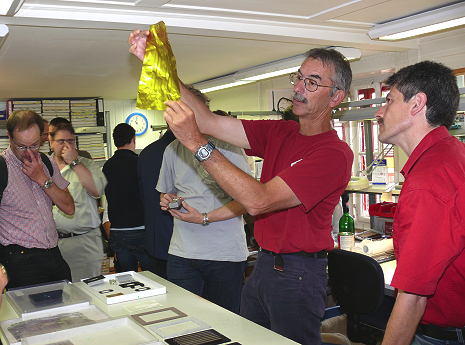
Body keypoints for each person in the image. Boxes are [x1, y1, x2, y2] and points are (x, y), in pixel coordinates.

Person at [129, 31, 353, 344]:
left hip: (298, 274)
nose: (299, 88)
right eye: (299, 78)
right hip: (265, 266)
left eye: (312, 82)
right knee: (248, 339)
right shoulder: (282, 132)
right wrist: (161, 67)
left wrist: (195, 142)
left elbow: (258, 201)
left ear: (336, 97)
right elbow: (206, 119)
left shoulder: (332, 153)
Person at [374, 62, 465, 345]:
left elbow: (413, 298)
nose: (379, 112)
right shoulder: (455, 154)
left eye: (389, 101)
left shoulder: (429, 180)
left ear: (417, 104)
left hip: (442, 336)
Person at [156, 95, 250, 314]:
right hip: (183, 252)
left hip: (224, 254)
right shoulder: (172, 149)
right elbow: (168, 194)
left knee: (226, 322)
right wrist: (169, 201)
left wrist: (205, 218)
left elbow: (246, 201)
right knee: (184, 321)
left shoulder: (229, 147)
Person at [0, 110, 74, 289]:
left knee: (67, 313)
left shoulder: (47, 163)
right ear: (9, 137)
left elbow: (69, 207)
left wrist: (42, 179)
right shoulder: (3, 167)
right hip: (18, 261)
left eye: (34, 145)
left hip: (53, 255)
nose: (29, 153)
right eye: (22, 146)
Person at [50, 121, 107, 282]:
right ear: (51, 142)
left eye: (71, 141)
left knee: (89, 296)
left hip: (83, 243)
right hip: (53, 245)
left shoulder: (87, 164)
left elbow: (97, 190)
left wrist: (74, 162)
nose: (67, 146)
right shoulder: (44, 166)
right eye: (61, 141)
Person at [102, 123, 150, 272]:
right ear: (133, 139)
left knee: (126, 278)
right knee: (151, 277)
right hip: (141, 228)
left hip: (118, 231)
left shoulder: (107, 166)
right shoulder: (139, 163)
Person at [138, 128, 176, 279]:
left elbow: (142, 194)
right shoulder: (184, 150)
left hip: (154, 238)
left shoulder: (146, 153)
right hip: (181, 240)